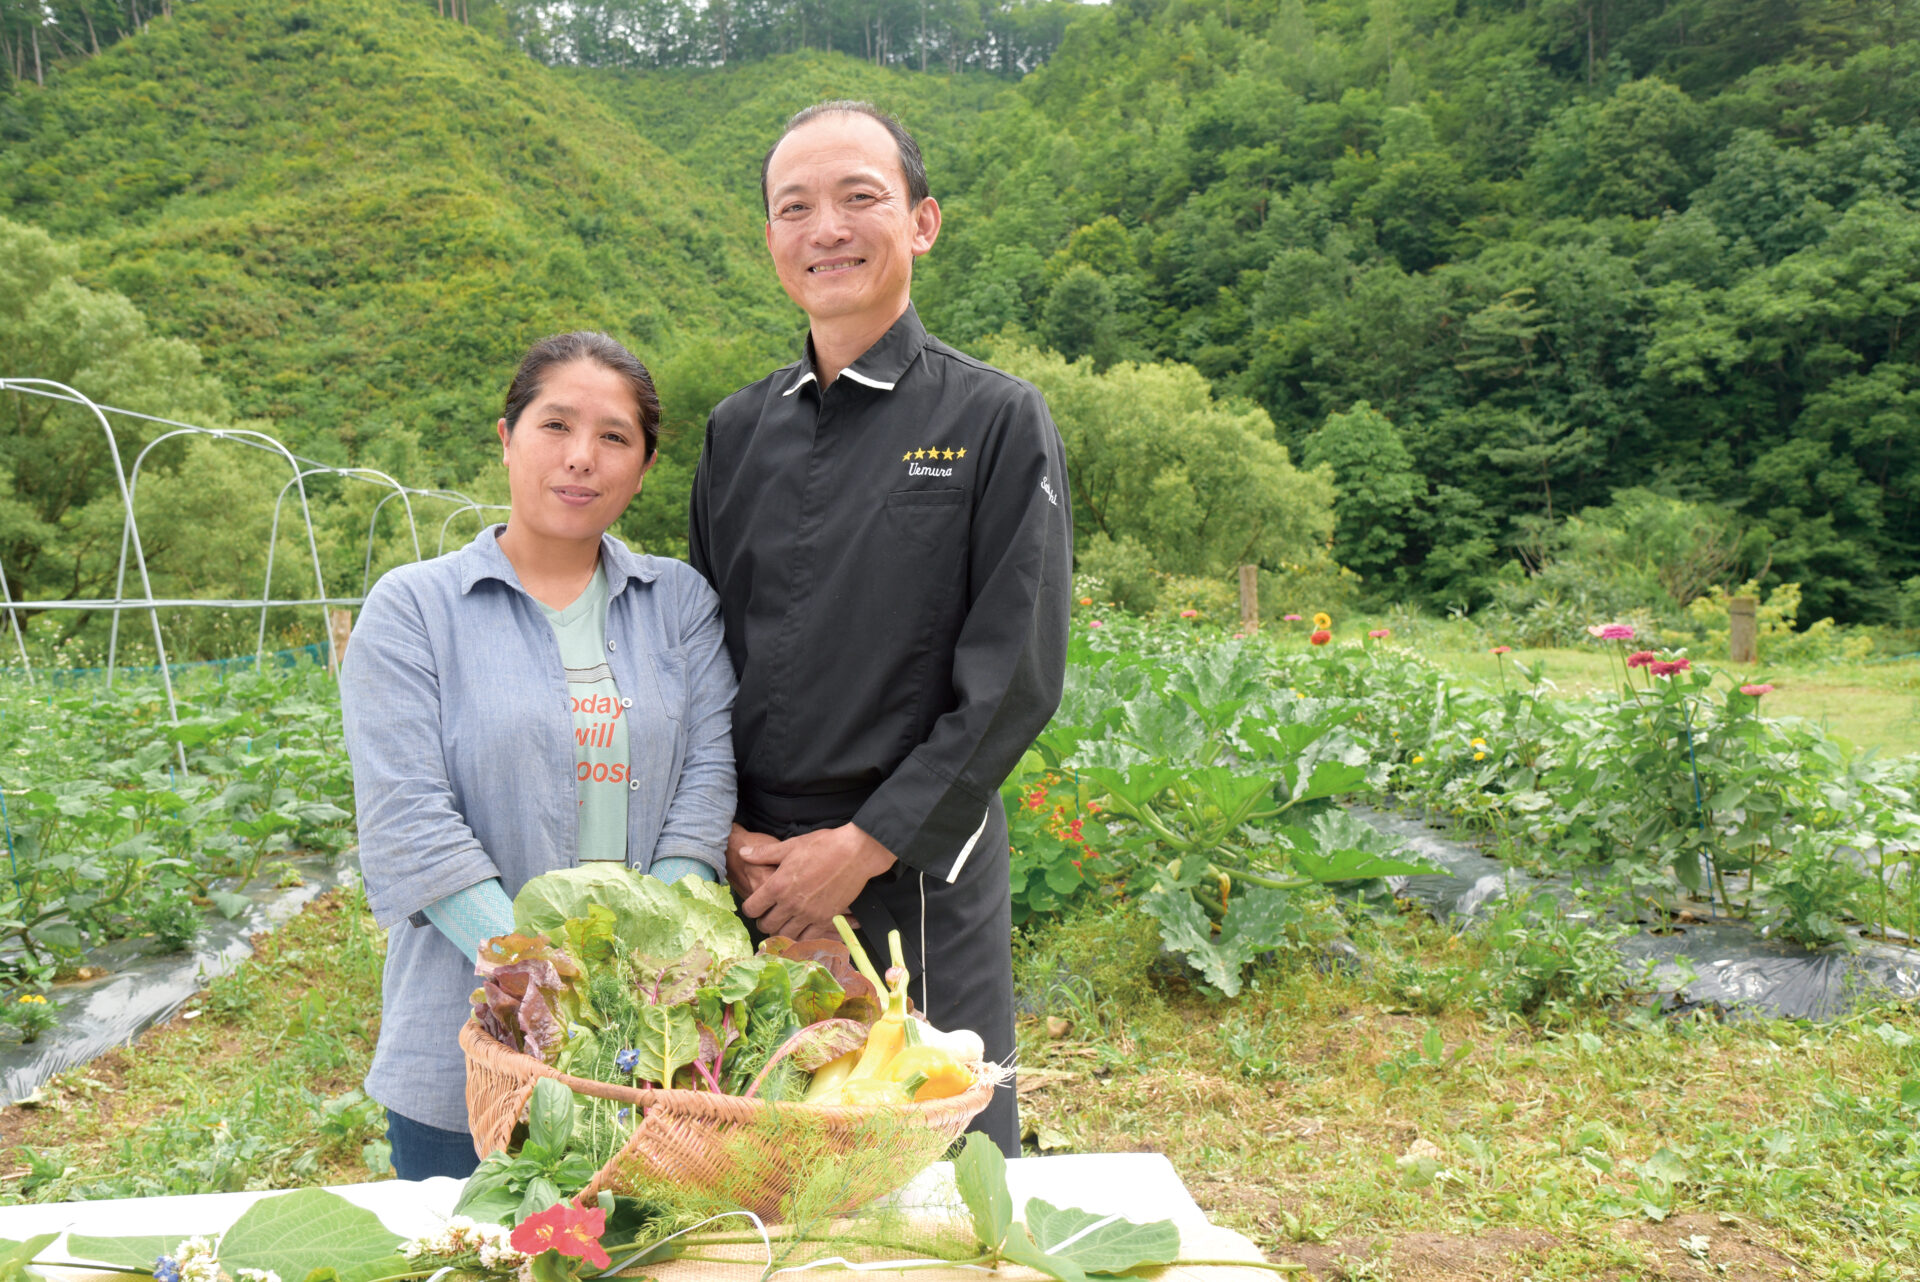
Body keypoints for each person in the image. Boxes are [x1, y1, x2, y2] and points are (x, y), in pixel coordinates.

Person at [688, 102, 1073, 1155]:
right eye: (794, 207)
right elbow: (700, 654)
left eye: (860, 197)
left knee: (934, 1161)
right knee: (760, 1157)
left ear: (922, 222)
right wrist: (721, 835)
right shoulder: (735, 432)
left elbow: (1016, 675)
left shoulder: (994, 419)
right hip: (758, 877)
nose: (827, 228)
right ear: (770, 238)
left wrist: (860, 849)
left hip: (913, 867)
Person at [341, 333, 736, 1180]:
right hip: (473, 1054)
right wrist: (556, 990)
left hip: (654, 1058)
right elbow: (413, 824)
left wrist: (639, 989)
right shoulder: (414, 609)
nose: (581, 459)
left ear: (645, 464)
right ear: (507, 436)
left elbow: (705, 785)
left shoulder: (680, 604)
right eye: (555, 425)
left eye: (614, 438)